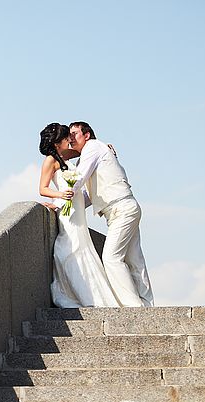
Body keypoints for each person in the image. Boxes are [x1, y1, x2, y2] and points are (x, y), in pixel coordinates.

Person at [66, 121, 154, 307]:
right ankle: (146, 306)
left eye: (74, 134)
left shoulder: (93, 148)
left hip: (122, 208)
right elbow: (87, 196)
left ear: (87, 135)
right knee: (134, 261)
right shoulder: (89, 155)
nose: (70, 138)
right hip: (121, 209)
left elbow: (78, 179)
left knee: (112, 258)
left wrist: (60, 196)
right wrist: (62, 206)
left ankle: (133, 308)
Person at [38, 122, 119, 308]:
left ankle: (94, 294)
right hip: (68, 208)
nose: (70, 140)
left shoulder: (64, 156)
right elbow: (42, 188)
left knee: (83, 246)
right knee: (70, 246)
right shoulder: (50, 160)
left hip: (78, 208)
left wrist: (103, 146)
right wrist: (60, 195)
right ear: (59, 141)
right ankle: (79, 294)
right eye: (67, 137)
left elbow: (84, 150)